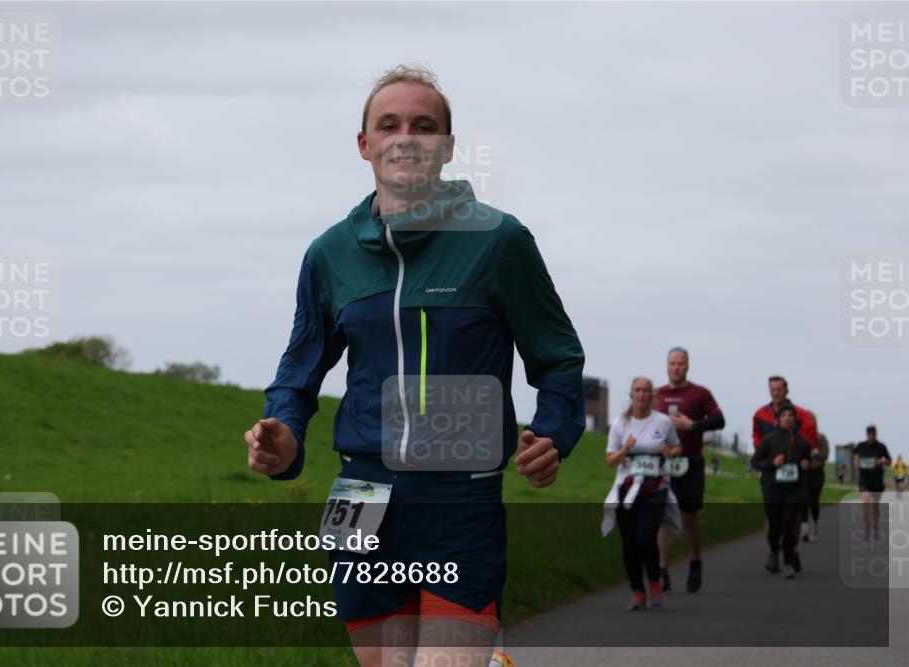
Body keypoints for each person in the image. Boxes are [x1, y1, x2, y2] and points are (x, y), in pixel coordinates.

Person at [245, 64, 586, 667]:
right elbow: (298, 374)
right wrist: (284, 439)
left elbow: (558, 359)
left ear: (448, 148)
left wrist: (554, 433)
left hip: (460, 500)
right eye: (389, 125)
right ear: (365, 144)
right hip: (358, 496)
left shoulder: (499, 241)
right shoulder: (329, 254)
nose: (406, 138)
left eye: (423, 126)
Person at [602, 377, 682, 610]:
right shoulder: (620, 423)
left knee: (645, 538)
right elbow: (610, 461)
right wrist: (626, 448)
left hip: (655, 488)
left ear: (652, 395)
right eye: (637, 390)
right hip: (626, 488)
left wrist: (671, 452)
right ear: (631, 394)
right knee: (629, 544)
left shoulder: (663, 422)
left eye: (646, 390)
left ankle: (654, 581)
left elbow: (678, 447)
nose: (642, 394)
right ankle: (637, 591)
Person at [654, 347, 725, 593]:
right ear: (667, 365)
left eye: (680, 363)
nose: (676, 367)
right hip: (663, 464)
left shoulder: (700, 393)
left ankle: (695, 562)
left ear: (687, 366)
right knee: (664, 516)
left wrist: (692, 425)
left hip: (690, 463)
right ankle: (662, 570)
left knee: (689, 518)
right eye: (672, 363)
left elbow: (719, 420)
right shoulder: (657, 395)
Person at [752, 375, 818, 572]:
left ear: (786, 390)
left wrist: (796, 450)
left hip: (794, 473)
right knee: (772, 517)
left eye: (779, 389)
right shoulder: (761, 414)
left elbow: (810, 435)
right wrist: (767, 454)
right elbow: (756, 436)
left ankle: (792, 550)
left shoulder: (800, 413)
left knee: (792, 517)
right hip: (770, 470)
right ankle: (773, 551)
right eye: (772, 389)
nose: (776, 393)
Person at [853, 425, 892, 541]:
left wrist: (881, 461)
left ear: (876, 434)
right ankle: (867, 530)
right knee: (866, 502)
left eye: (873, 434)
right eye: (869, 434)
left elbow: (889, 461)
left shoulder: (881, 446)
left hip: (877, 480)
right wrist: (856, 462)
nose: (871, 436)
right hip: (864, 479)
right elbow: (855, 456)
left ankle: (875, 529)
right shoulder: (861, 445)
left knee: (875, 505)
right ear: (867, 434)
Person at [801, 421, 829, 543]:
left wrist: (816, 453)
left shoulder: (821, 438)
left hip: (817, 473)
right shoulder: (800, 437)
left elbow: (825, 454)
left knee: (813, 501)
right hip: (804, 473)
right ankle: (805, 529)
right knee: (803, 500)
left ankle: (815, 524)